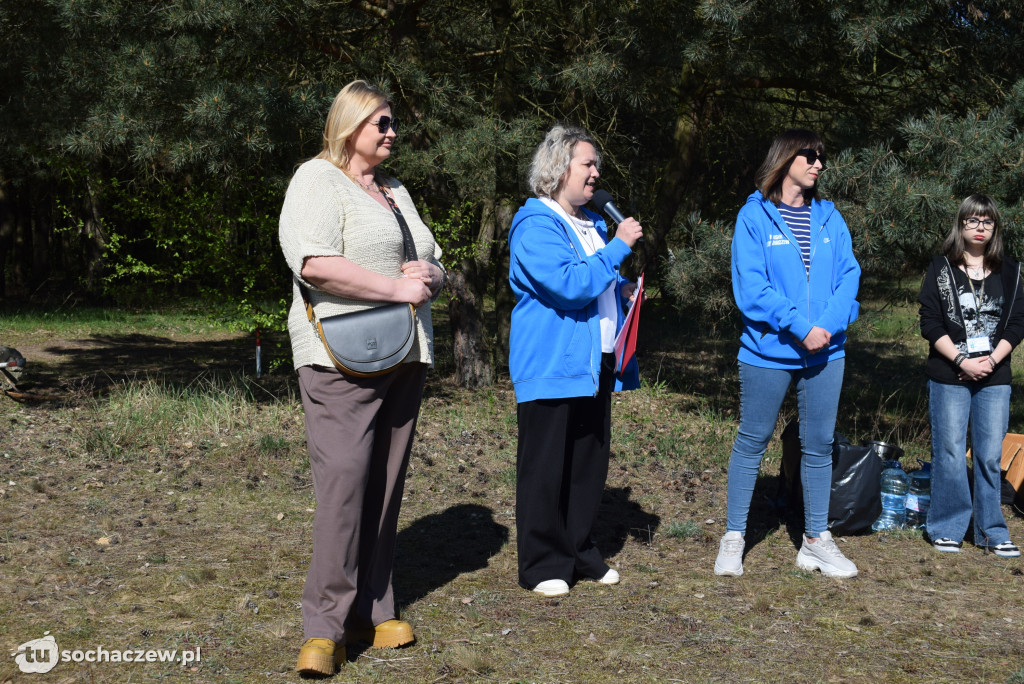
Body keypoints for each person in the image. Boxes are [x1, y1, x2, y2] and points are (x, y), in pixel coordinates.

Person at [278, 80, 445, 676]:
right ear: (350, 125)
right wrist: (397, 288)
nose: (392, 132)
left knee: (385, 483)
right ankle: (325, 628)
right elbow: (314, 262)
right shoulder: (316, 180)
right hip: (337, 359)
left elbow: (433, 258)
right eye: (382, 122)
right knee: (345, 484)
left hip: (405, 353)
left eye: (393, 122)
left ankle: (376, 610)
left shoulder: (396, 191)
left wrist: (431, 273)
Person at [714, 129, 862, 578]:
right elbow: (751, 287)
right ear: (784, 159)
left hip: (825, 352)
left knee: (818, 445)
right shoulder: (753, 218)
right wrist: (800, 327)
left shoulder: (830, 218)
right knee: (752, 441)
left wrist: (826, 329)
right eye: (811, 155)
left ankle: (816, 541)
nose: (819, 164)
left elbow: (848, 277)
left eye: (821, 157)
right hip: (768, 352)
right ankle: (734, 537)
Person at [507, 125, 643, 597]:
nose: (596, 173)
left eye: (595, 164)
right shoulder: (536, 224)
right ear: (557, 168)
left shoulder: (593, 224)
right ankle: (543, 563)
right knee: (546, 466)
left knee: (587, 464)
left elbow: (595, 280)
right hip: (551, 363)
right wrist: (619, 248)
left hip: (595, 362)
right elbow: (567, 284)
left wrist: (620, 289)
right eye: (587, 163)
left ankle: (579, 551)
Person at [918, 194, 1024, 557]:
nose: (980, 228)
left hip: (994, 374)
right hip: (950, 373)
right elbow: (929, 322)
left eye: (987, 222)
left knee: (990, 455)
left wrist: (991, 361)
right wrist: (962, 360)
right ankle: (947, 526)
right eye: (972, 221)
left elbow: (1017, 324)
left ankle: (991, 530)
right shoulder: (940, 269)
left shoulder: (1011, 271)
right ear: (960, 225)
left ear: (995, 228)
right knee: (948, 451)